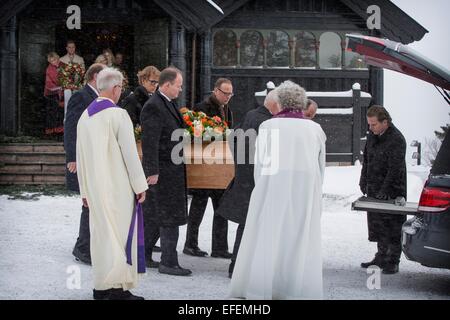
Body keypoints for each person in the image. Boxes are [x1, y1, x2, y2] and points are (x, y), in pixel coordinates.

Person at [229, 80, 326, 299]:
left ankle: (264, 285)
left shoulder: (269, 126)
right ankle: (295, 287)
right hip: (304, 191)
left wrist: (261, 189)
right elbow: (320, 167)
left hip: (273, 186)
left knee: (269, 235)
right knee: (299, 238)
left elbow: (262, 164)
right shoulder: (315, 129)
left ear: (280, 102)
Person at [76, 67, 148, 300]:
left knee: (102, 236)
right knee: (120, 235)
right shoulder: (118, 114)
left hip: (95, 188)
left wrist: (84, 190)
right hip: (116, 186)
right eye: (121, 88)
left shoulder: (86, 115)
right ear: (116, 88)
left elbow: (81, 156)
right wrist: (140, 185)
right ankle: (116, 289)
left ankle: (101, 287)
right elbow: (130, 154)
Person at [217, 89, 281, 278]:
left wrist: (240, 163)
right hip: (256, 179)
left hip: (244, 177)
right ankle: (241, 266)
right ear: (274, 105)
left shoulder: (251, 115)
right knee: (252, 225)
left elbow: (233, 137)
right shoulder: (267, 123)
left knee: (246, 224)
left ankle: (236, 265)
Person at [140, 67, 191, 276]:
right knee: (169, 215)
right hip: (163, 172)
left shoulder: (166, 103)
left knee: (155, 215)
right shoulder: (154, 106)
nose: (180, 90)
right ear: (167, 84)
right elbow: (149, 141)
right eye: (178, 86)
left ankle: (142, 255)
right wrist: (152, 171)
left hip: (171, 170)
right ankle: (169, 262)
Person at [183, 78, 234, 259]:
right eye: (225, 93)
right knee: (198, 206)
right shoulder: (202, 107)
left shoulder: (227, 108)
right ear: (216, 90)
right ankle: (190, 244)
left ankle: (219, 247)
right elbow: (196, 135)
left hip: (219, 166)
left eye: (230, 94)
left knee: (221, 208)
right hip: (205, 164)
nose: (228, 97)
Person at [64, 63, 106, 265]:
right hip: (84, 157)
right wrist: (72, 157)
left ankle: (86, 244)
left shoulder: (99, 97)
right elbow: (71, 127)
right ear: (95, 76)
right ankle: (82, 247)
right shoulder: (81, 96)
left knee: (94, 203)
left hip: (96, 157)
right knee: (90, 203)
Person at [359, 105, 407, 274]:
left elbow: (395, 169)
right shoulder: (373, 136)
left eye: (373, 124)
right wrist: (363, 179)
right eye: (369, 124)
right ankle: (380, 256)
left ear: (385, 122)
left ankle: (393, 260)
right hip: (374, 187)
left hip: (392, 190)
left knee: (392, 225)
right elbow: (367, 160)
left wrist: (385, 189)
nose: (370, 128)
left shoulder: (397, 139)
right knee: (378, 224)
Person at [44, 52, 64, 137]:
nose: (53, 62)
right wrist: (62, 84)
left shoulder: (63, 65)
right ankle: (51, 131)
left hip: (62, 92)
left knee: (60, 111)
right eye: (51, 61)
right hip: (51, 93)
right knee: (52, 111)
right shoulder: (49, 69)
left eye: (54, 59)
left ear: (58, 58)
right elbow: (53, 81)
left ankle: (60, 130)